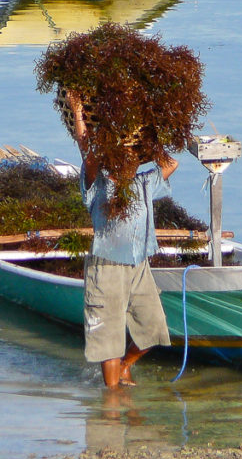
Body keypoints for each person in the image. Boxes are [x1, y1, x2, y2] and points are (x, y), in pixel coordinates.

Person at [67, 92, 176, 389]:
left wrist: (151, 136)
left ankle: (127, 366)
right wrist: (78, 110)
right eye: (123, 157)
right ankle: (111, 401)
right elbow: (86, 151)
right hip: (107, 267)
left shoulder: (143, 183)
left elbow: (170, 163)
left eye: (133, 157)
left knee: (154, 329)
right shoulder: (98, 184)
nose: (129, 161)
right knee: (108, 339)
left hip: (139, 264)